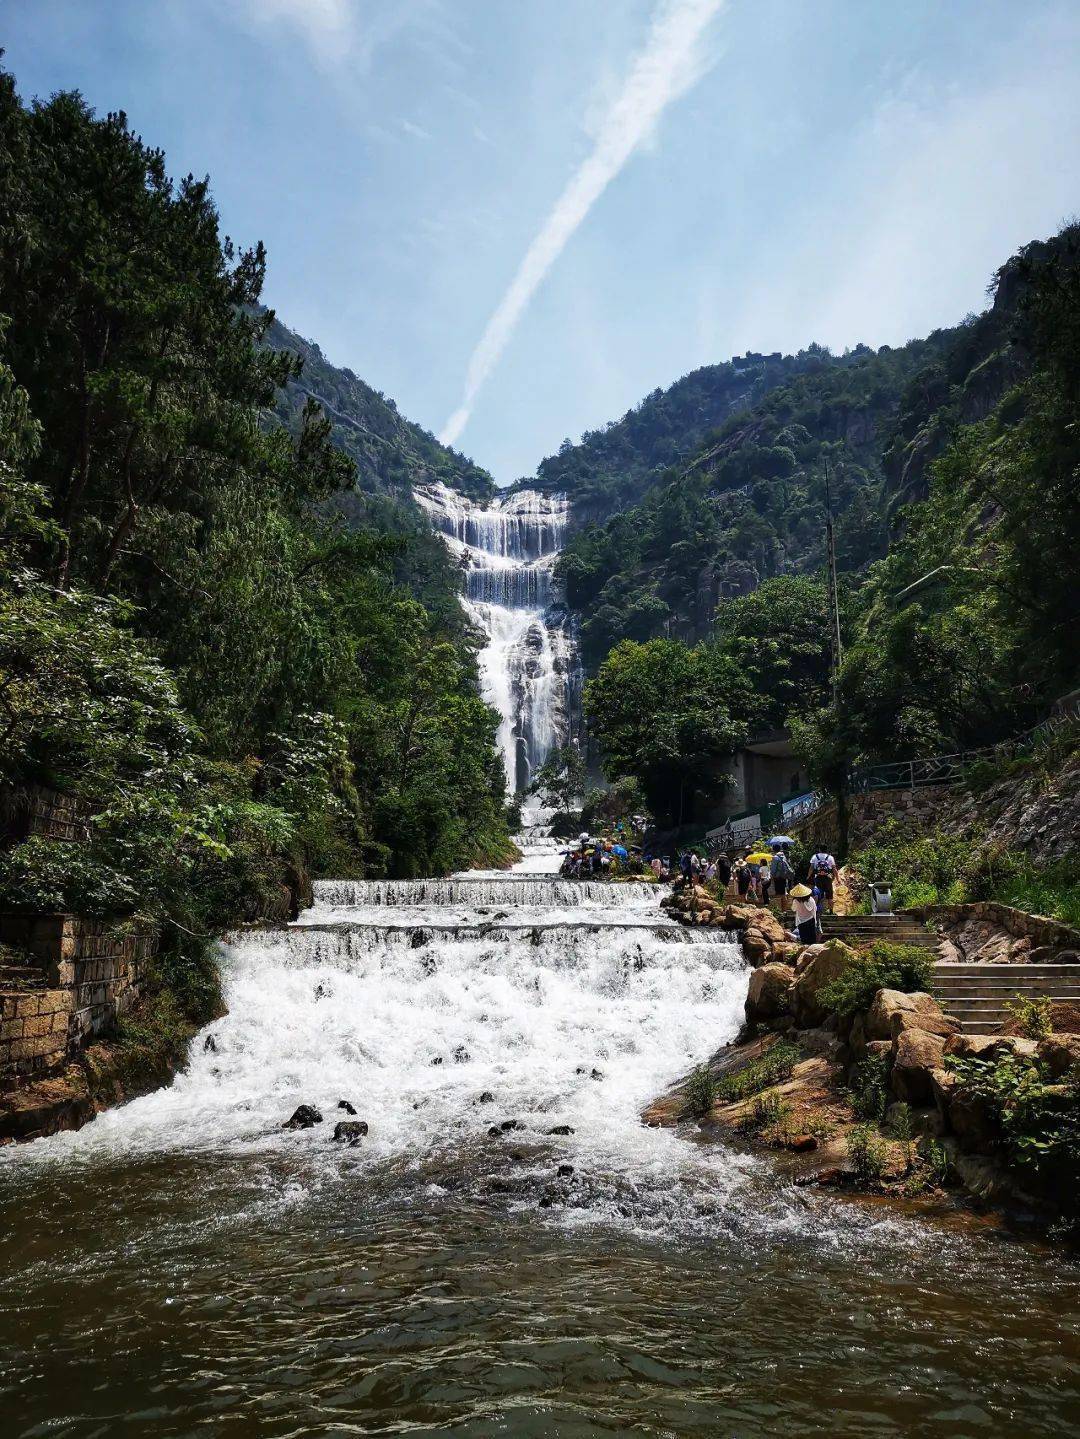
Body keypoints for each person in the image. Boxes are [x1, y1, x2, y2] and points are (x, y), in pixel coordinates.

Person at [810, 849, 837, 914]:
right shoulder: (830, 857)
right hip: (828, 878)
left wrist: (808, 876)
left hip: (818, 878)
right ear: (826, 850)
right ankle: (831, 912)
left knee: (819, 895)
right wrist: (837, 878)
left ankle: (819, 911)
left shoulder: (815, 856)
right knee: (830, 896)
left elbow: (811, 868)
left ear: (819, 850)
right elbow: (834, 869)